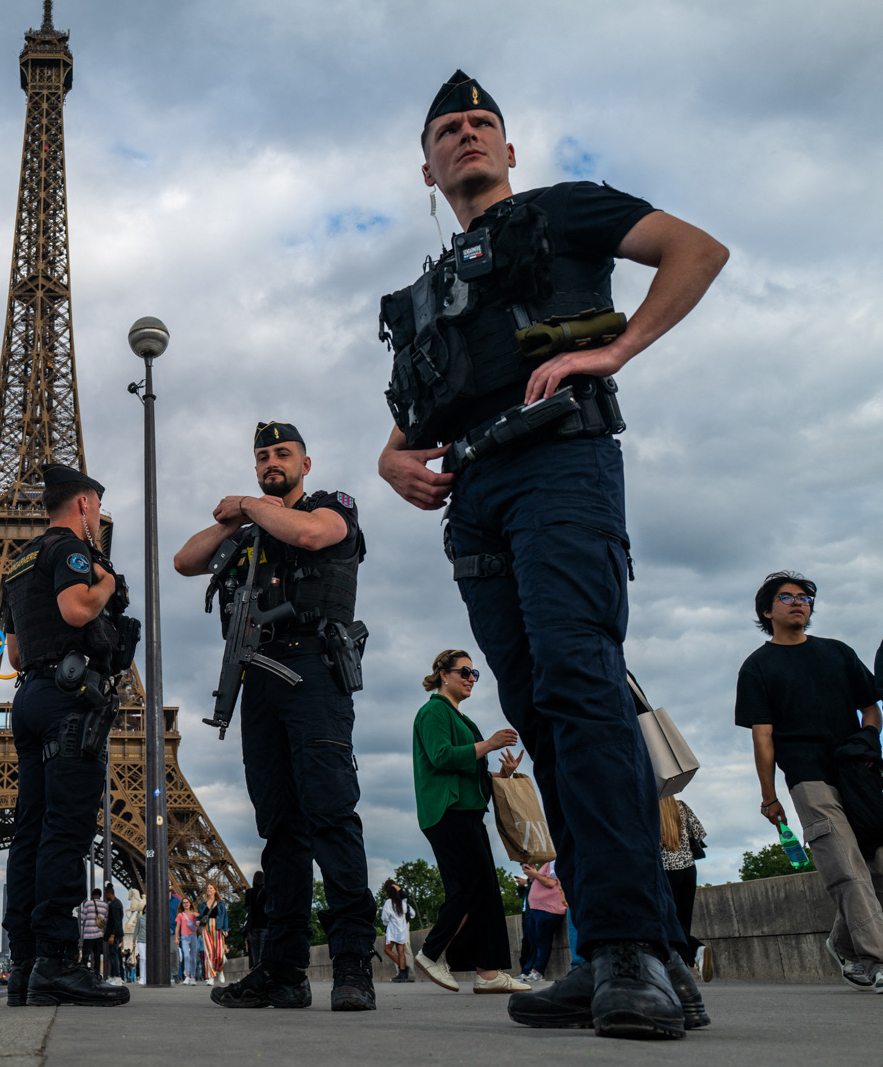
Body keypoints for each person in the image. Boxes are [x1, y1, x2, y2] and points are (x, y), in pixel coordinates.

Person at [376, 71, 726, 1039]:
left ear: (509, 148)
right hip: (474, 498)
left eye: (483, 123)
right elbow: (410, 419)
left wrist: (616, 350)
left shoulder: (565, 209)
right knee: (535, 706)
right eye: (449, 129)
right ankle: (632, 947)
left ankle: (624, 947)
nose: (468, 135)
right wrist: (389, 456)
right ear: (427, 164)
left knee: (579, 684)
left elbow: (695, 251)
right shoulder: (420, 294)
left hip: (559, 464)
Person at [174, 421, 376, 1012]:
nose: (271, 462)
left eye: (283, 454)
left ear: (305, 465)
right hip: (258, 684)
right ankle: (283, 968)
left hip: (313, 672)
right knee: (280, 830)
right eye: (262, 455)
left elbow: (314, 536)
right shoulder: (247, 532)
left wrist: (249, 507)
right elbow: (186, 561)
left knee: (332, 815)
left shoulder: (330, 506)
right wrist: (234, 517)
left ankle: (352, 962)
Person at [0, 464, 135, 1009]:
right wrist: (104, 578)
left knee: (29, 830)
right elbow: (77, 608)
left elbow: (11, 652)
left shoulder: (16, 564)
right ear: (83, 504)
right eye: (97, 508)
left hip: (29, 696)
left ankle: (25, 965)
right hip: (68, 698)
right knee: (68, 830)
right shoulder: (70, 553)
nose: (99, 517)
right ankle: (58, 961)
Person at [735, 570, 883, 992]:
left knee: (878, 866)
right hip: (808, 778)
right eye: (786, 597)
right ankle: (877, 959)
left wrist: (868, 739)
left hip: (858, 772)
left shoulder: (837, 652)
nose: (798, 603)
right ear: (767, 610)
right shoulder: (758, 666)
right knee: (846, 867)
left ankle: (843, 943)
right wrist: (770, 798)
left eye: (805, 597)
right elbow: (762, 738)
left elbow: (871, 709)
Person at [409, 649, 530, 995]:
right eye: (464, 672)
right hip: (449, 812)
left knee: (486, 890)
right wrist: (489, 743)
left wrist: (500, 773)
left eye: (474, 674)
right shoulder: (433, 711)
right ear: (444, 675)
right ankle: (431, 952)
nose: (470, 678)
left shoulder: (459, 717)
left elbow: (466, 768)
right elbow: (441, 756)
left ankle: (488, 974)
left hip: (466, 811)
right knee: (472, 888)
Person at [658, 796, 709, 980]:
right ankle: (683, 967)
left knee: (667, 922)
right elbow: (699, 833)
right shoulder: (680, 805)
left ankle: (695, 949)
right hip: (688, 869)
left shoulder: (649, 807)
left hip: (666, 871)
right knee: (683, 921)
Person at [519, 861, 566, 982]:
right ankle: (529, 970)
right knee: (533, 941)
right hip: (537, 908)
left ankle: (538, 971)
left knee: (542, 941)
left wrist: (535, 873)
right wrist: (532, 875)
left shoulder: (555, 863)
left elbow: (551, 883)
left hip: (548, 909)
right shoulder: (546, 865)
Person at [379, 880, 415, 982]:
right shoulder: (403, 903)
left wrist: (387, 924)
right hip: (402, 931)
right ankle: (403, 974)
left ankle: (402, 968)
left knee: (387, 950)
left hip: (393, 930)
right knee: (401, 952)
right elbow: (412, 914)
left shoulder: (388, 903)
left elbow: (385, 918)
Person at [199, 884, 229, 986]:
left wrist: (225, 929)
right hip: (206, 929)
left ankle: (220, 970)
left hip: (218, 928)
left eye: (211, 888)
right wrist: (198, 922)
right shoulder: (203, 904)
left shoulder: (220, 903)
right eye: (207, 888)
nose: (209, 890)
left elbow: (225, 916)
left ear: (215, 890)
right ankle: (211, 977)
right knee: (209, 953)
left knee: (220, 954)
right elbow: (199, 916)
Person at [80, 888, 108, 975]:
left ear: (92, 895)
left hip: (88, 934)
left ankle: (83, 974)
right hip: (99, 934)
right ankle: (96, 974)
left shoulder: (88, 903)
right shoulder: (105, 905)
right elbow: (105, 921)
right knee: (97, 956)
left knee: (85, 956)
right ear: (100, 895)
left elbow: (83, 918)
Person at [242, 871, 267, 970]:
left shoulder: (249, 892)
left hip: (252, 926)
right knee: (263, 950)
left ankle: (256, 970)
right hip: (265, 925)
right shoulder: (267, 891)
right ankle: (262, 970)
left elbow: (247, 908)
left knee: (254, 951)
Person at [104, 885, 125, 982]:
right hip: (117, 933)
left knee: (114, 955)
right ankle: (113, 976)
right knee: (113, 955)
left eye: (105, 894)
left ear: (109, 893)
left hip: (114, 934)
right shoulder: (118, 903)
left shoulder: (114, 905)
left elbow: (116, 921)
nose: (105, 896)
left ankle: (116, 977)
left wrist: (112, 936)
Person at [177, 898, 200, 986]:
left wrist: (197, 922)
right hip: (184, 937)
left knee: (193, 958)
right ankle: (187, 976)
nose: (186, 904)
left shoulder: (195, 914)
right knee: (186, 956)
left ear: (190, 903)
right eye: (184, 903)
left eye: (187, 902)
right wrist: (176, 938)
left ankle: (193, 977)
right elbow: (178, 927)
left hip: (193, 936)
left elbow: (198, 924)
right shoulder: (181, 915)